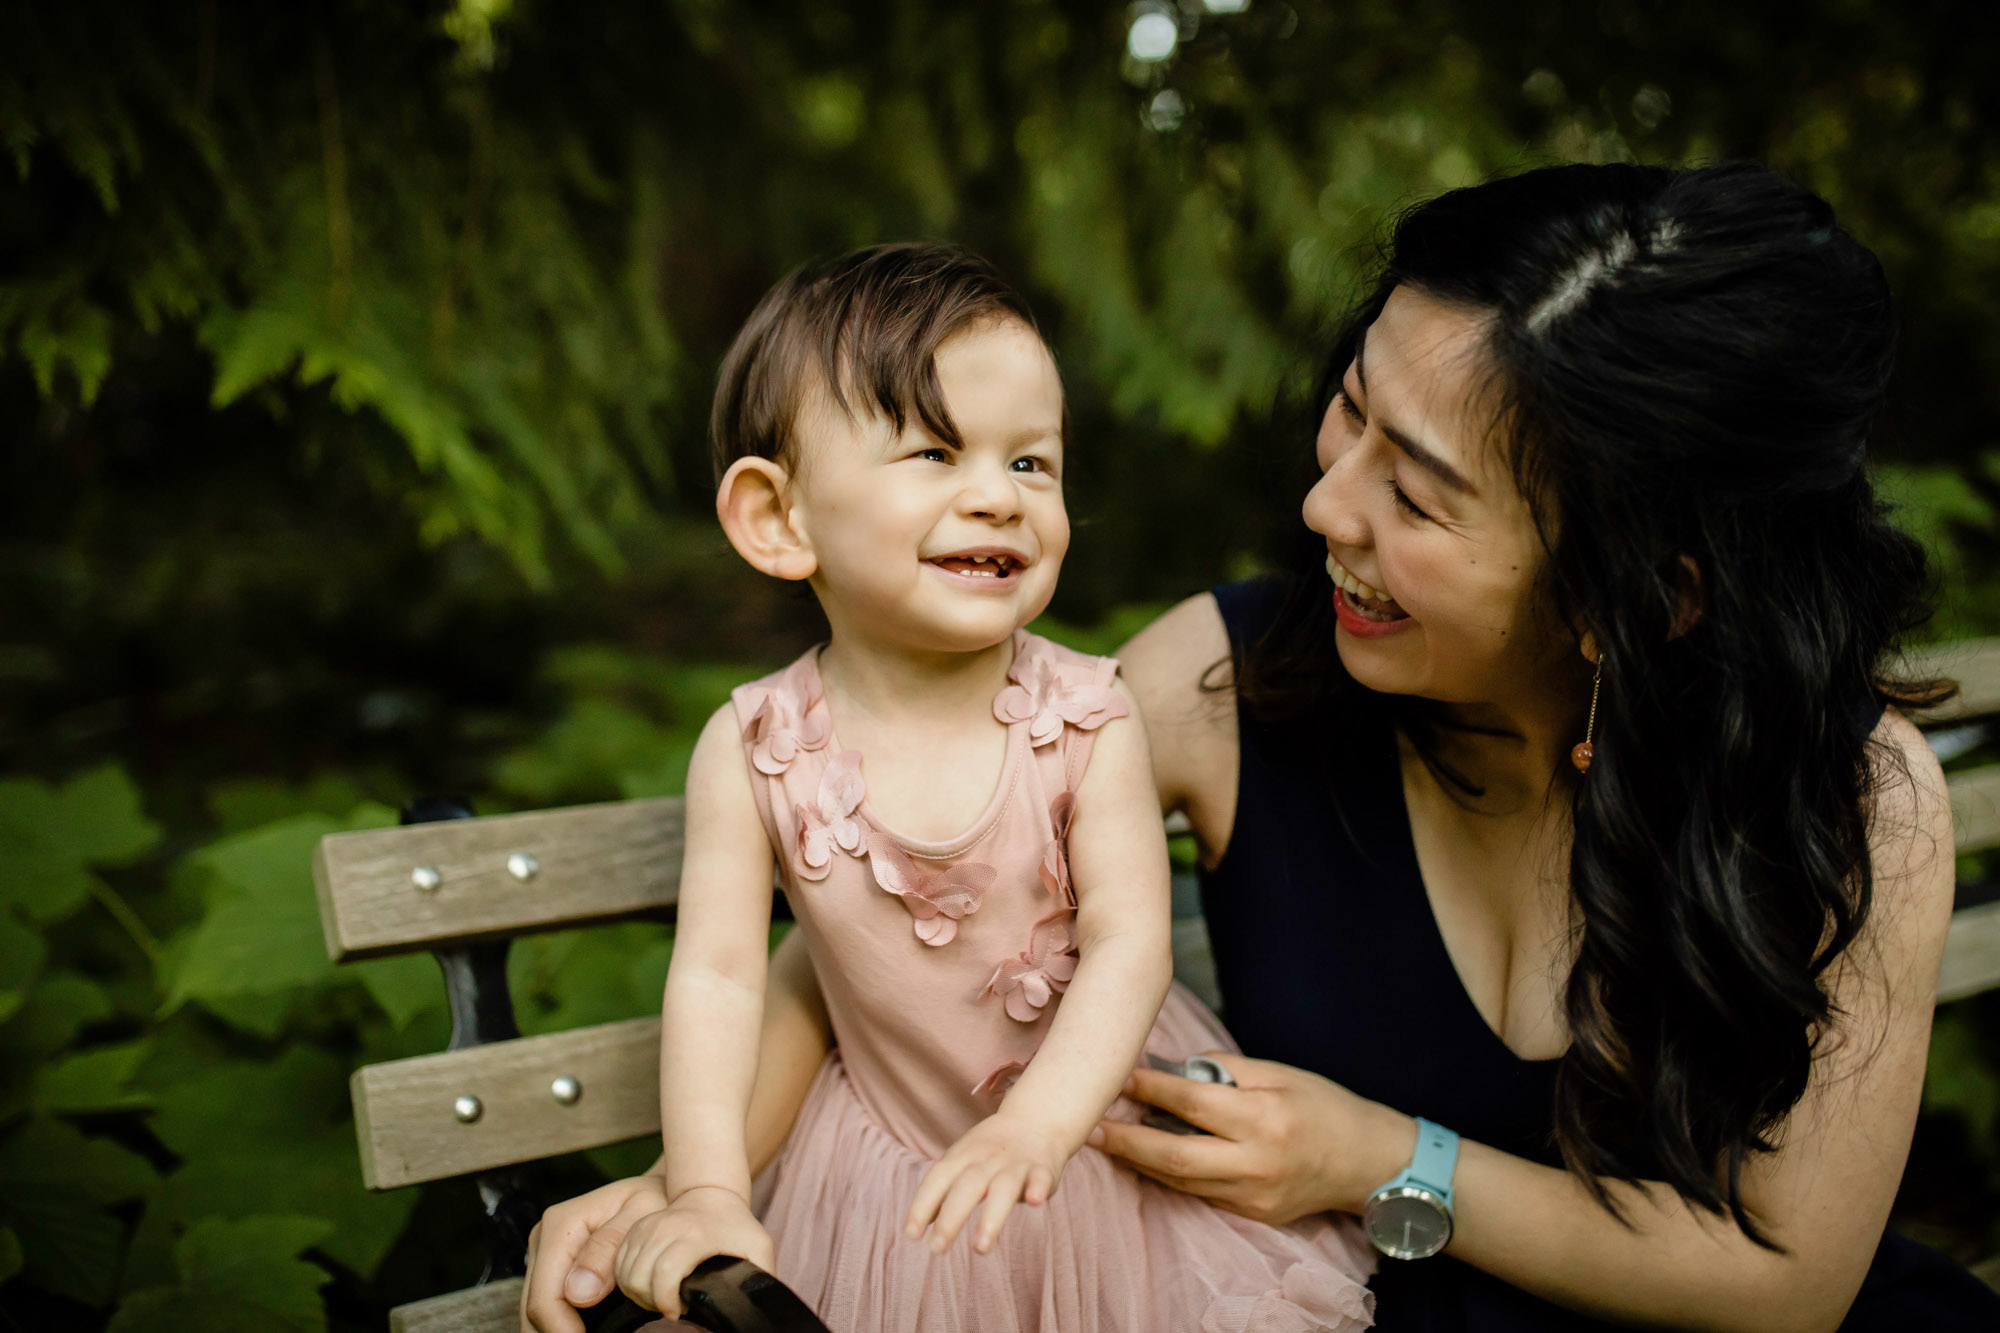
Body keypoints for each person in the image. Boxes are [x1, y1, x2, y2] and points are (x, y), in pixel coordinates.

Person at [524, 165, 2000, 1331]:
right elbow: (880, 927)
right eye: (1349, 412)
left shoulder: (1847, 801)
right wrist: (682, 1184)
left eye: (1416, 498)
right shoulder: (1235, 682)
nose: (1325, 508)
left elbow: (1787, 1284)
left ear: (1643, 589)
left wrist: (1383, 1160)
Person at [569, 242, 1376, 1332]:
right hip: (885, 1170)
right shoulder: (753, 744)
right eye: (935, 454)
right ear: (778, 518)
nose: (997, 497)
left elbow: (1130, 941)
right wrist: (707, 1188)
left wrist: (1037, 1125)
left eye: (1031, 464)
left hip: (1089, 1147)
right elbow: (719, 980)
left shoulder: (1088, 717)